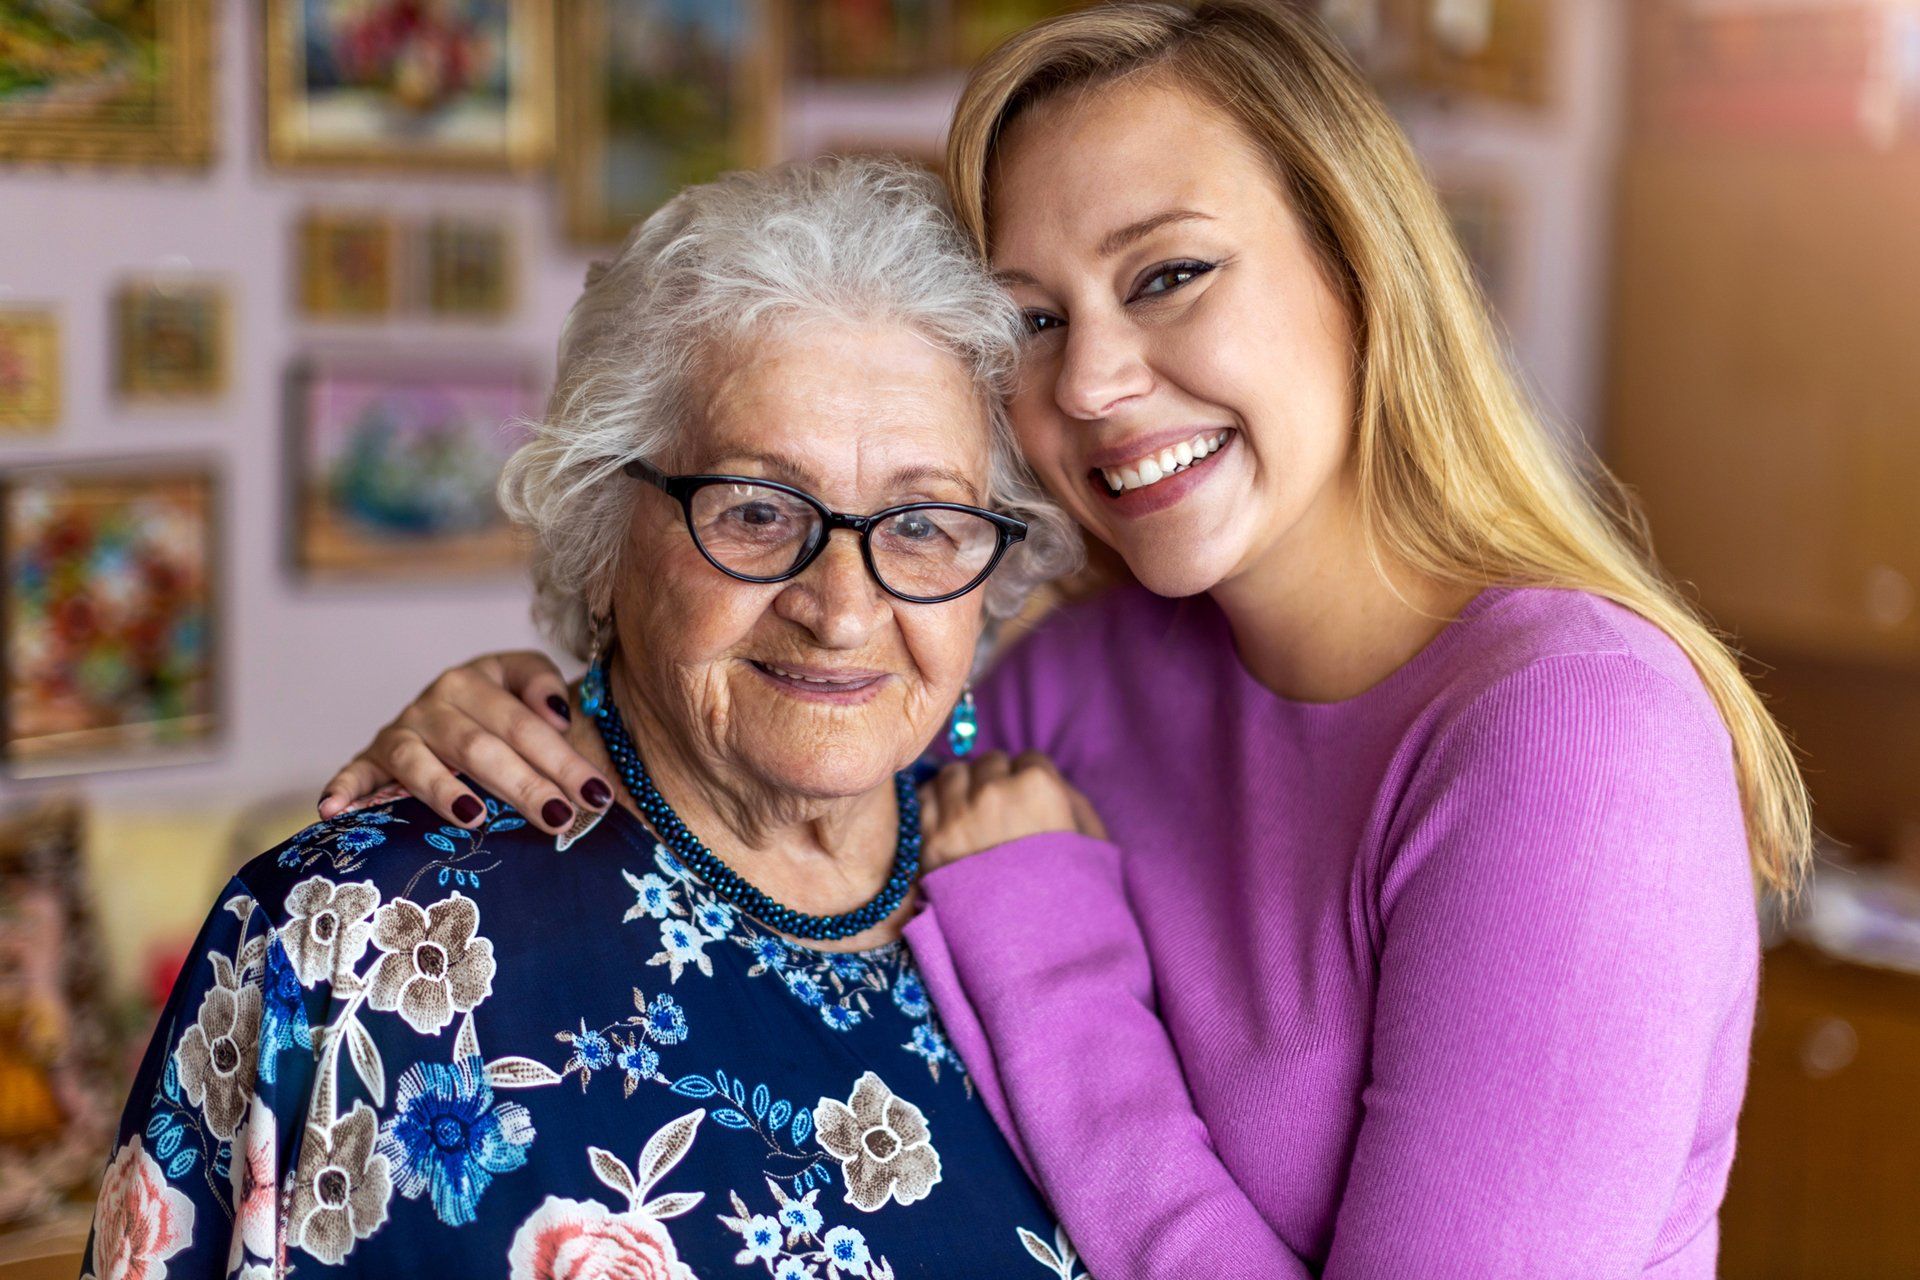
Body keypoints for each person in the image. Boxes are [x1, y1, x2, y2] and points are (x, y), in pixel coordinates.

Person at [318, 4, 1813, 1277]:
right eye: (1032, 320)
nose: (1093, 381)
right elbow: (789, 806)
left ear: (1361, 270)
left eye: (1170, 274)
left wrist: (1050, 953)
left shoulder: (1573, 741)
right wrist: (532, 711)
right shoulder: (1075, 678)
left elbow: (1022, 953)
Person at [83, 158, 1091, 1279]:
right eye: (756, 510)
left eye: (922, 522)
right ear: (605, 531)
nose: (844, 611)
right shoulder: (350, 934)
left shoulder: (1058, 896)